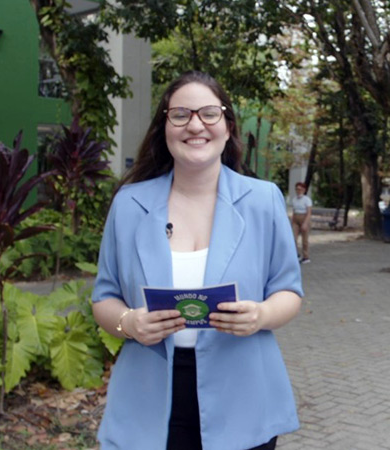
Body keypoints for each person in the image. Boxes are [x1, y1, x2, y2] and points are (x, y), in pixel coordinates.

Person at [91, 71, 303, 450]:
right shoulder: (129, 204)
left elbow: (288, 291)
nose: (195, 125)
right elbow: (104, 297)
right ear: (164, 127)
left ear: (227, 126)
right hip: (149, 396)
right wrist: (130, 322)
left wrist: (261, 316)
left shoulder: (263, 200)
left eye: (208, 113)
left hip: (243, 395)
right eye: (180, 115)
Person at [291, 182, 312, 263]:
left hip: (304, 217)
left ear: (304, 190)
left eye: (300, 189)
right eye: (297, 189)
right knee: (293, 238)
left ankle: (306, 256)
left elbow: (309, 212)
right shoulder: (294, 199)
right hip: (296, 217)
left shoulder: (307, 200)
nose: (298, 191)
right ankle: (296, 254)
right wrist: (292, 221)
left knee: (305, 239)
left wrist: (305, 223)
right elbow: (293, 211)